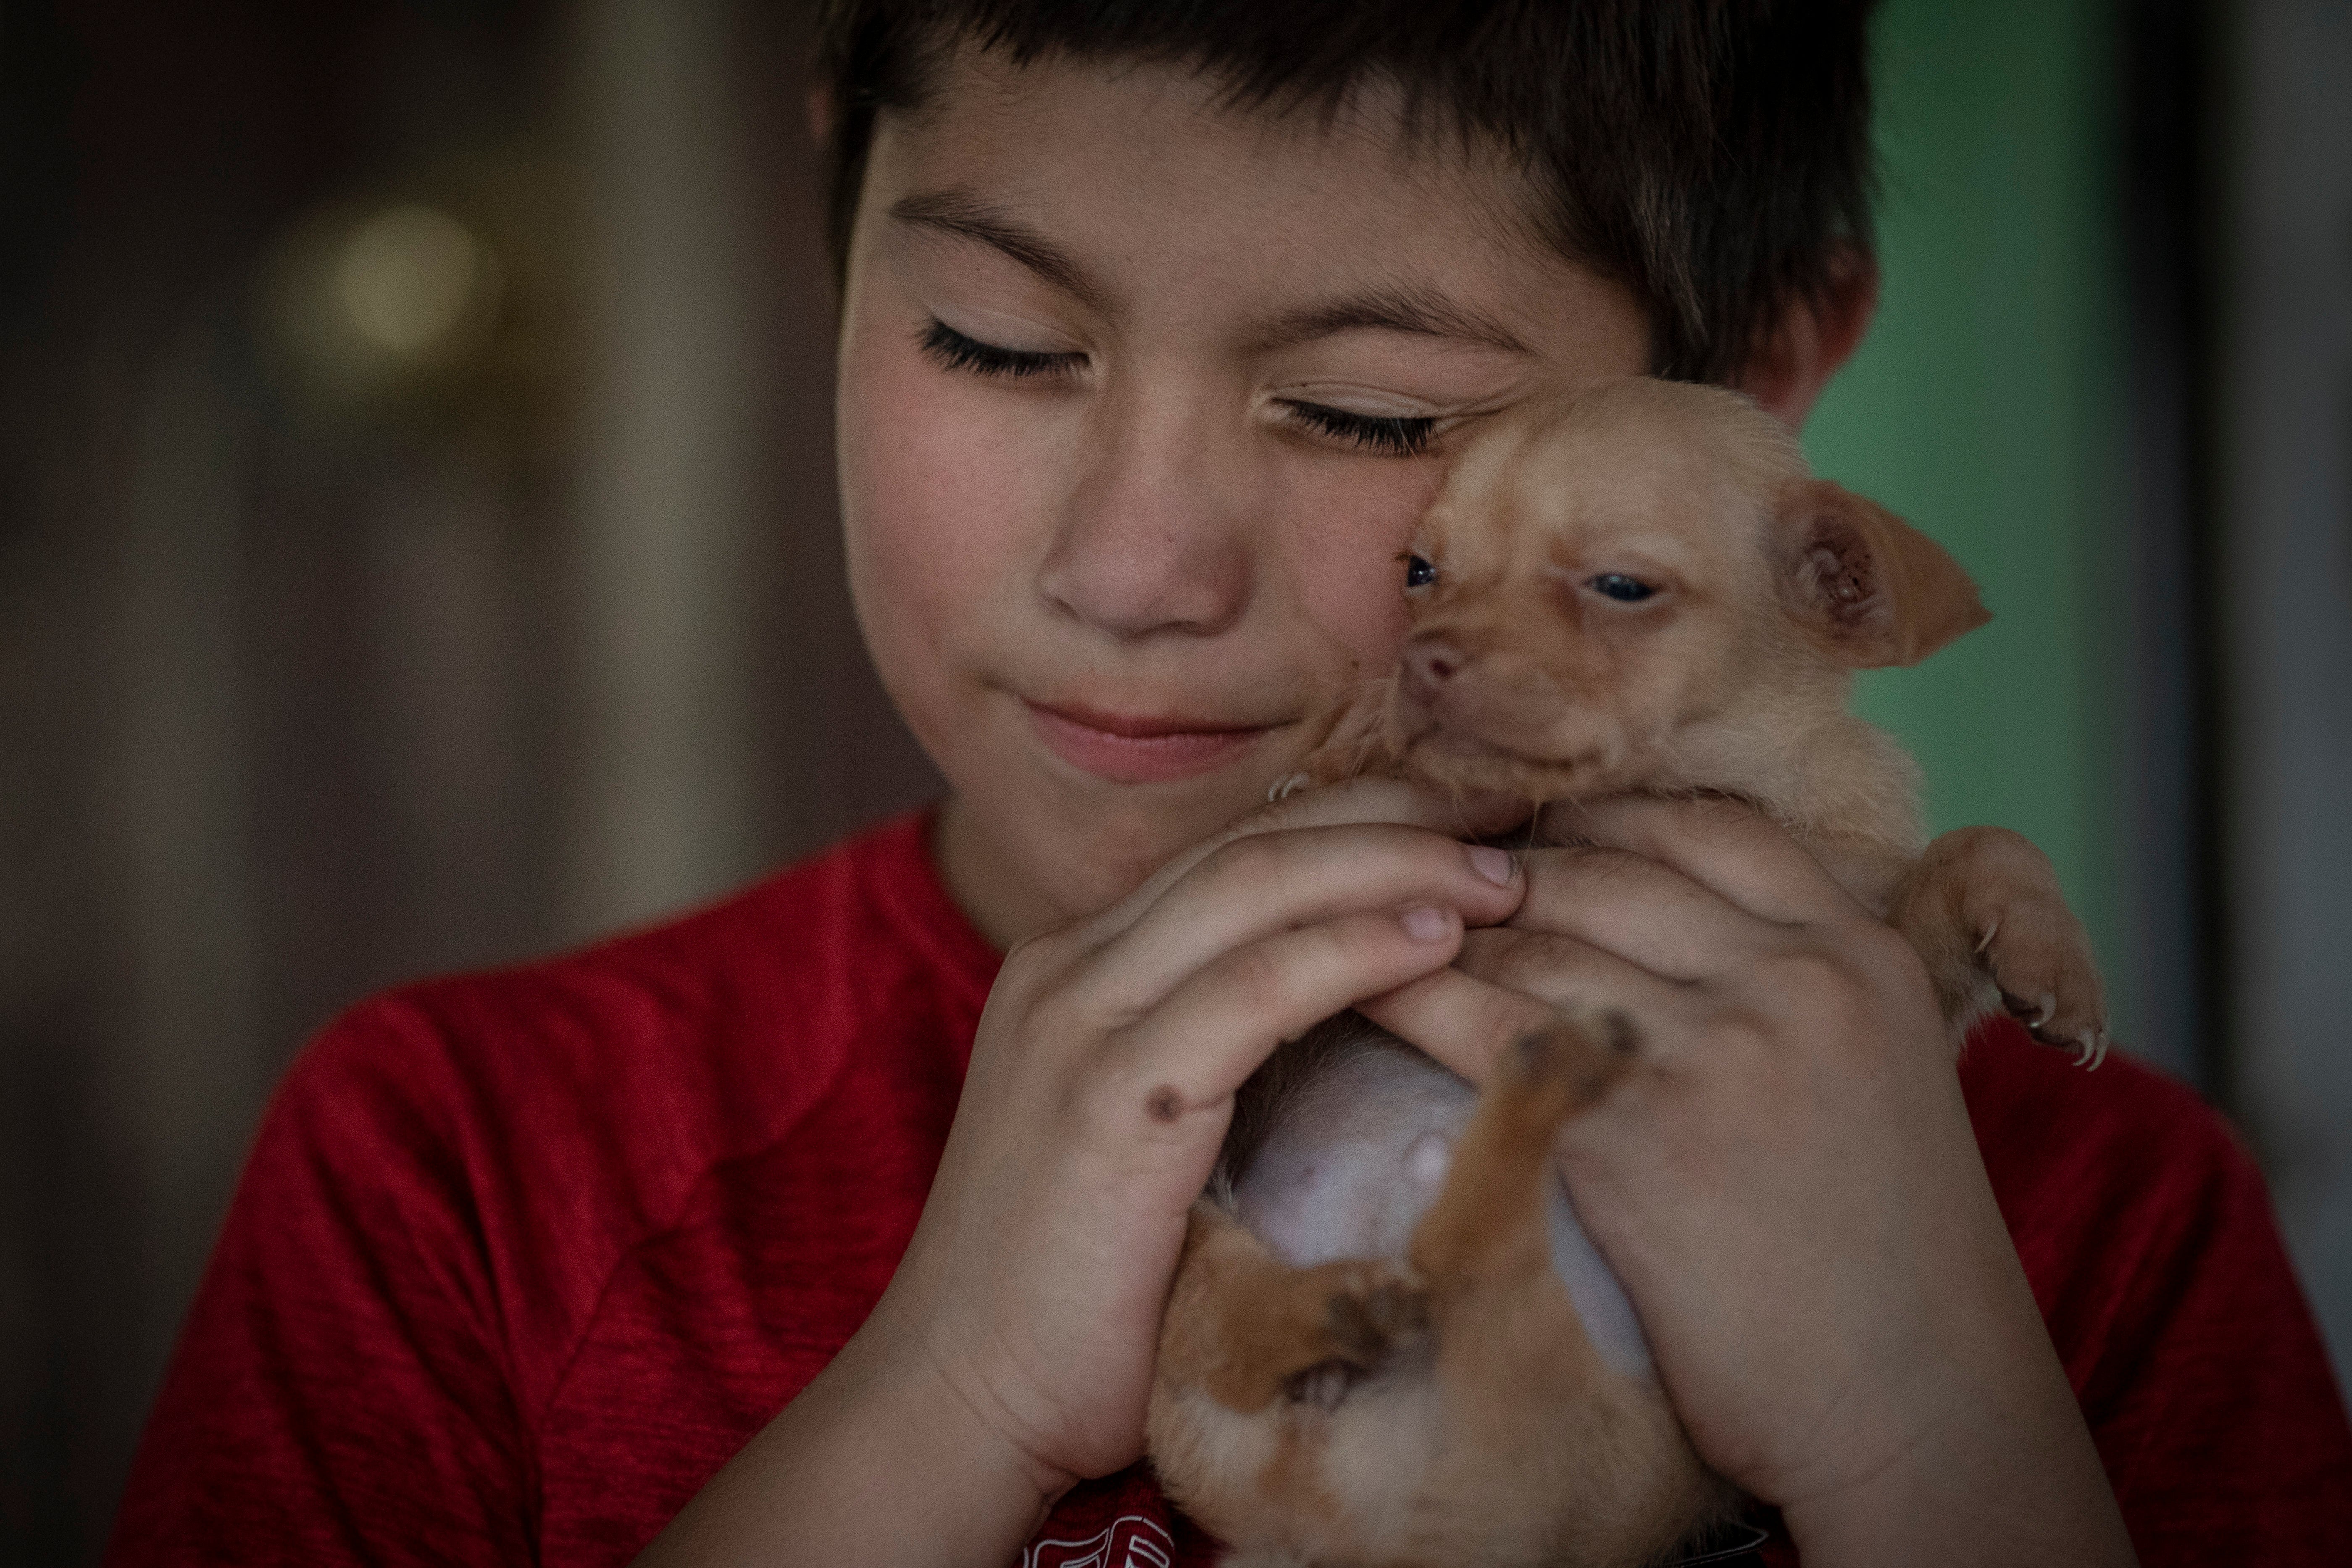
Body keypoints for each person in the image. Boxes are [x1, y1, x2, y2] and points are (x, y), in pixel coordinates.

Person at [107, 3, 2352, 1565]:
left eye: (1380, 414)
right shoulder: (460, 1173)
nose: (1131, 567)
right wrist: (952, 1406)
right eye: (998, 339)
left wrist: (1919, 1429)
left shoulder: (2080, 1240)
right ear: (837, 210)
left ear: (1750, 391)